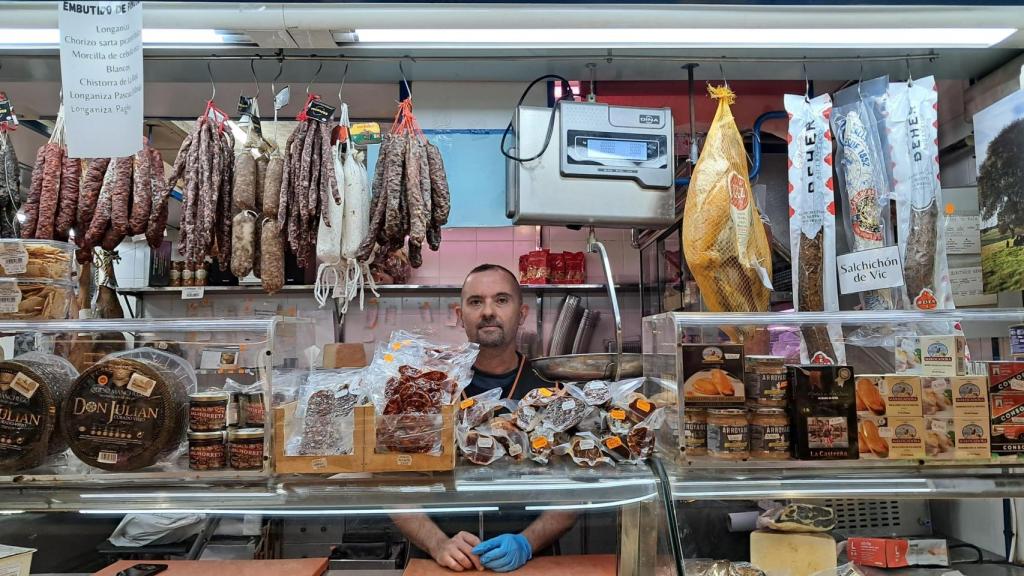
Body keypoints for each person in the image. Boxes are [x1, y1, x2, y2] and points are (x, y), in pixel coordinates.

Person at [392, 264, 577, 572]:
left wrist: (526, 543)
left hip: (530, 563)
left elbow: (575, 494)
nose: (488, 311)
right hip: (441, 562)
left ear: (522, 313)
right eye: (475, 301)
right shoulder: (425, 389)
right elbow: (394, 484)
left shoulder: (553, 392)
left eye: (502, 300)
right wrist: (438, 543)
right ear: (458, 313)